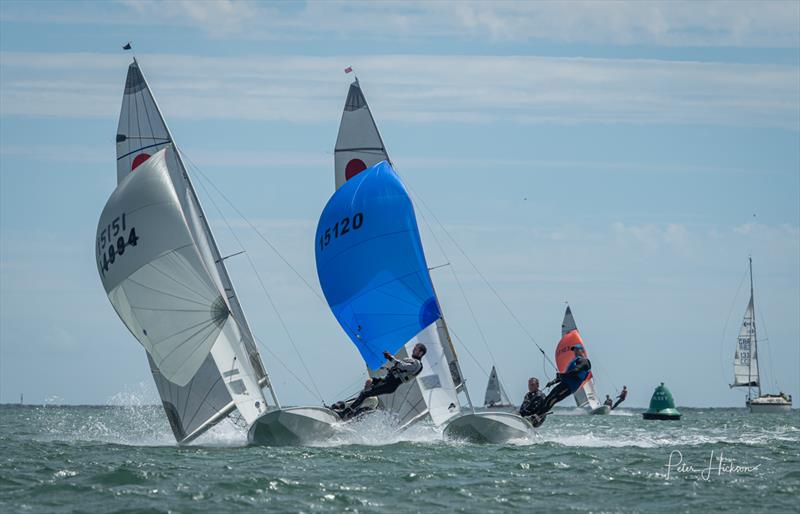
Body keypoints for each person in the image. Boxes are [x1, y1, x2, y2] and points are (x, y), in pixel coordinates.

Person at [335, 343, 427, 419]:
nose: (413, 350)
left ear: (420, 353)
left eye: (416, 349)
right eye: (414, 348)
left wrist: (390, 357)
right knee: (369, 382)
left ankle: (345, 413)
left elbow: (402, 366)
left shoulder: (417, 364)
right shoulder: (412, 361)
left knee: (365, 394)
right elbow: (399, 368)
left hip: (390, 385)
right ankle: (347, 408)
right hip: (386, 380)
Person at [534, 344, 591, 416]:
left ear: (582, 351)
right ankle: (535, 413)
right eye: (574, 350)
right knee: (548, 397)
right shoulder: (575, 361)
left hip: (570, 387)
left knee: (553, 399)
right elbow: (565, 376)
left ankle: (538, 415)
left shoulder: (584, 362)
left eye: (577, 350)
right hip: (564, 384)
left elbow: (576, 371)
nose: (575, 352)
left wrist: (562, 375)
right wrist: (552, 382)